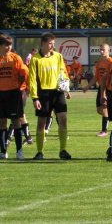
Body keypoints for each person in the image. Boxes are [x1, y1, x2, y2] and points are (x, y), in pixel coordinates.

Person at [28, 32, 72, 160]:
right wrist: (35, 98)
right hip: (44, 93)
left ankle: (63, 150)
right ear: (43, 44)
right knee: (42, 122)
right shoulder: (35, 59)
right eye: (49, 43)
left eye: (53, 43)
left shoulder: (58, 56)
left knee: (63, 119)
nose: (52, 46)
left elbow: (62, 72)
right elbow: (32, 80)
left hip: (58, 92)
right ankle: (40, 152)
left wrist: (66, 89)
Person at [0, 34, 28, 160]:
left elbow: (24, 74)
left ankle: (19, 151)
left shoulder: (16, 59)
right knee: (1, 122)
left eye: (10, 45)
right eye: (6, 45)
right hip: (1, 94)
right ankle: (3, 151)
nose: (9, 47)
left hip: (13, 93)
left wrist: (19, 87)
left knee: (16, 122)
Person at [83, 44, 112, 137]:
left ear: (109, 50)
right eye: (100, 50)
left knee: (104, 109)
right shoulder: (99, 63)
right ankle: (111, 117)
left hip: (108, 88)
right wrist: (88, 86)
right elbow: (96, 77)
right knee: (99, 110)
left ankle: (104, 131)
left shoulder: (111, 62)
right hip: (101, 87)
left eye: (103, 50)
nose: (101, 51)